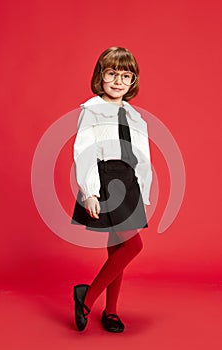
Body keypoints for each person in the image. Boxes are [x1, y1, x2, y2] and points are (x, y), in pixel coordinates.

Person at [71, 47, 152, 333]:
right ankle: (87, 297)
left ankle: (111, 311)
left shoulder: (135, 116)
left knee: (118, 247)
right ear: (100, 76)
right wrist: (90, 191)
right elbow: (83, 151)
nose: (118, 81)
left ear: (133, 81)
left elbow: (142, 155)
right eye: (111, 74)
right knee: (134, 245)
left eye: (126, 75)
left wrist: (144, 188)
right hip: (107, 178)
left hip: (129, 182)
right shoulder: (91, 110)